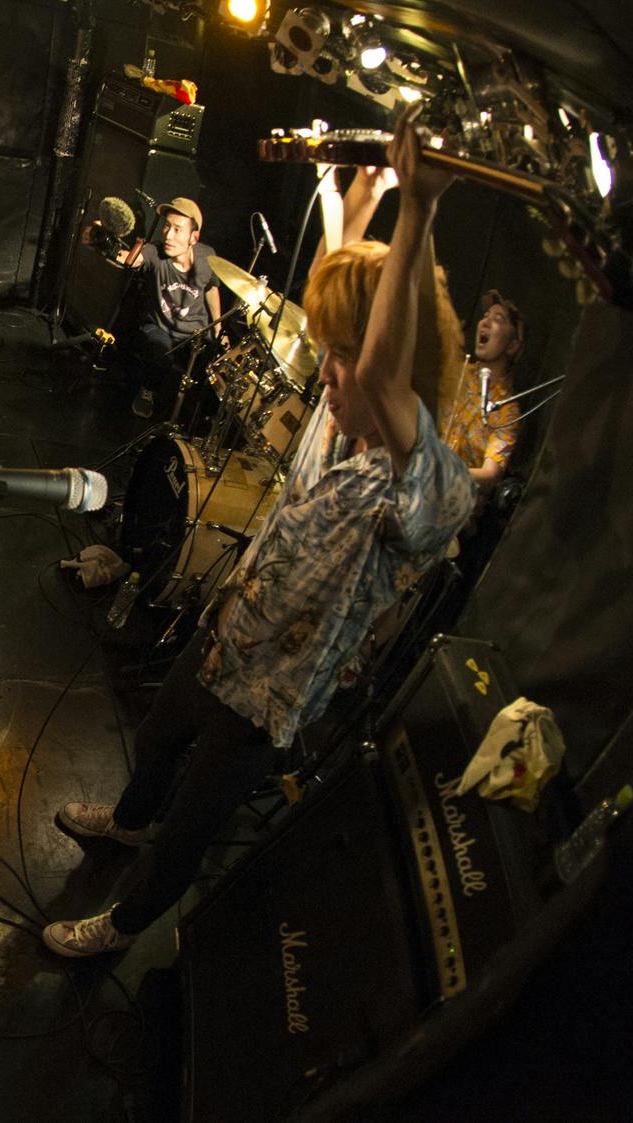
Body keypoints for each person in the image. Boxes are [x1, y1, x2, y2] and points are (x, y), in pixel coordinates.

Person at [42, 113, 474, 958]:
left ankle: (122, 927)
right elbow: (340, 322)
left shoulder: (428, 483)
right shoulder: (340, 418)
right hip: (227, 628)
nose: (330, 375)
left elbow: (381, 360)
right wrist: (357, 200)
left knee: (189, 829)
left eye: (347, 364)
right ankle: (126, 821)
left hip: (269, 697)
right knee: (157, 736)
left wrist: (419, 211)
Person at [114, 196, 223, 418]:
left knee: (216, 369)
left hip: (196, 331)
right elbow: (130, 260)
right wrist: (104, 246)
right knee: (158, 351)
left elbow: (211, 288)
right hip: (160, 327)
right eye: (167, 226)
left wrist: (218, 326)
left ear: (194, 237)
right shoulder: (155, 252)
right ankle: (148, 391)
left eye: (177, 229)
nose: (168, 235)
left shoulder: (207, 257)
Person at [442, 289, 525, 494]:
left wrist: (443, 475)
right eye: (485, 316)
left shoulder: (507, 410)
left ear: (512, 346)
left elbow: (490, 474)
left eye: (498, 319)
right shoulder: (456, 372)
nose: (485, 322)